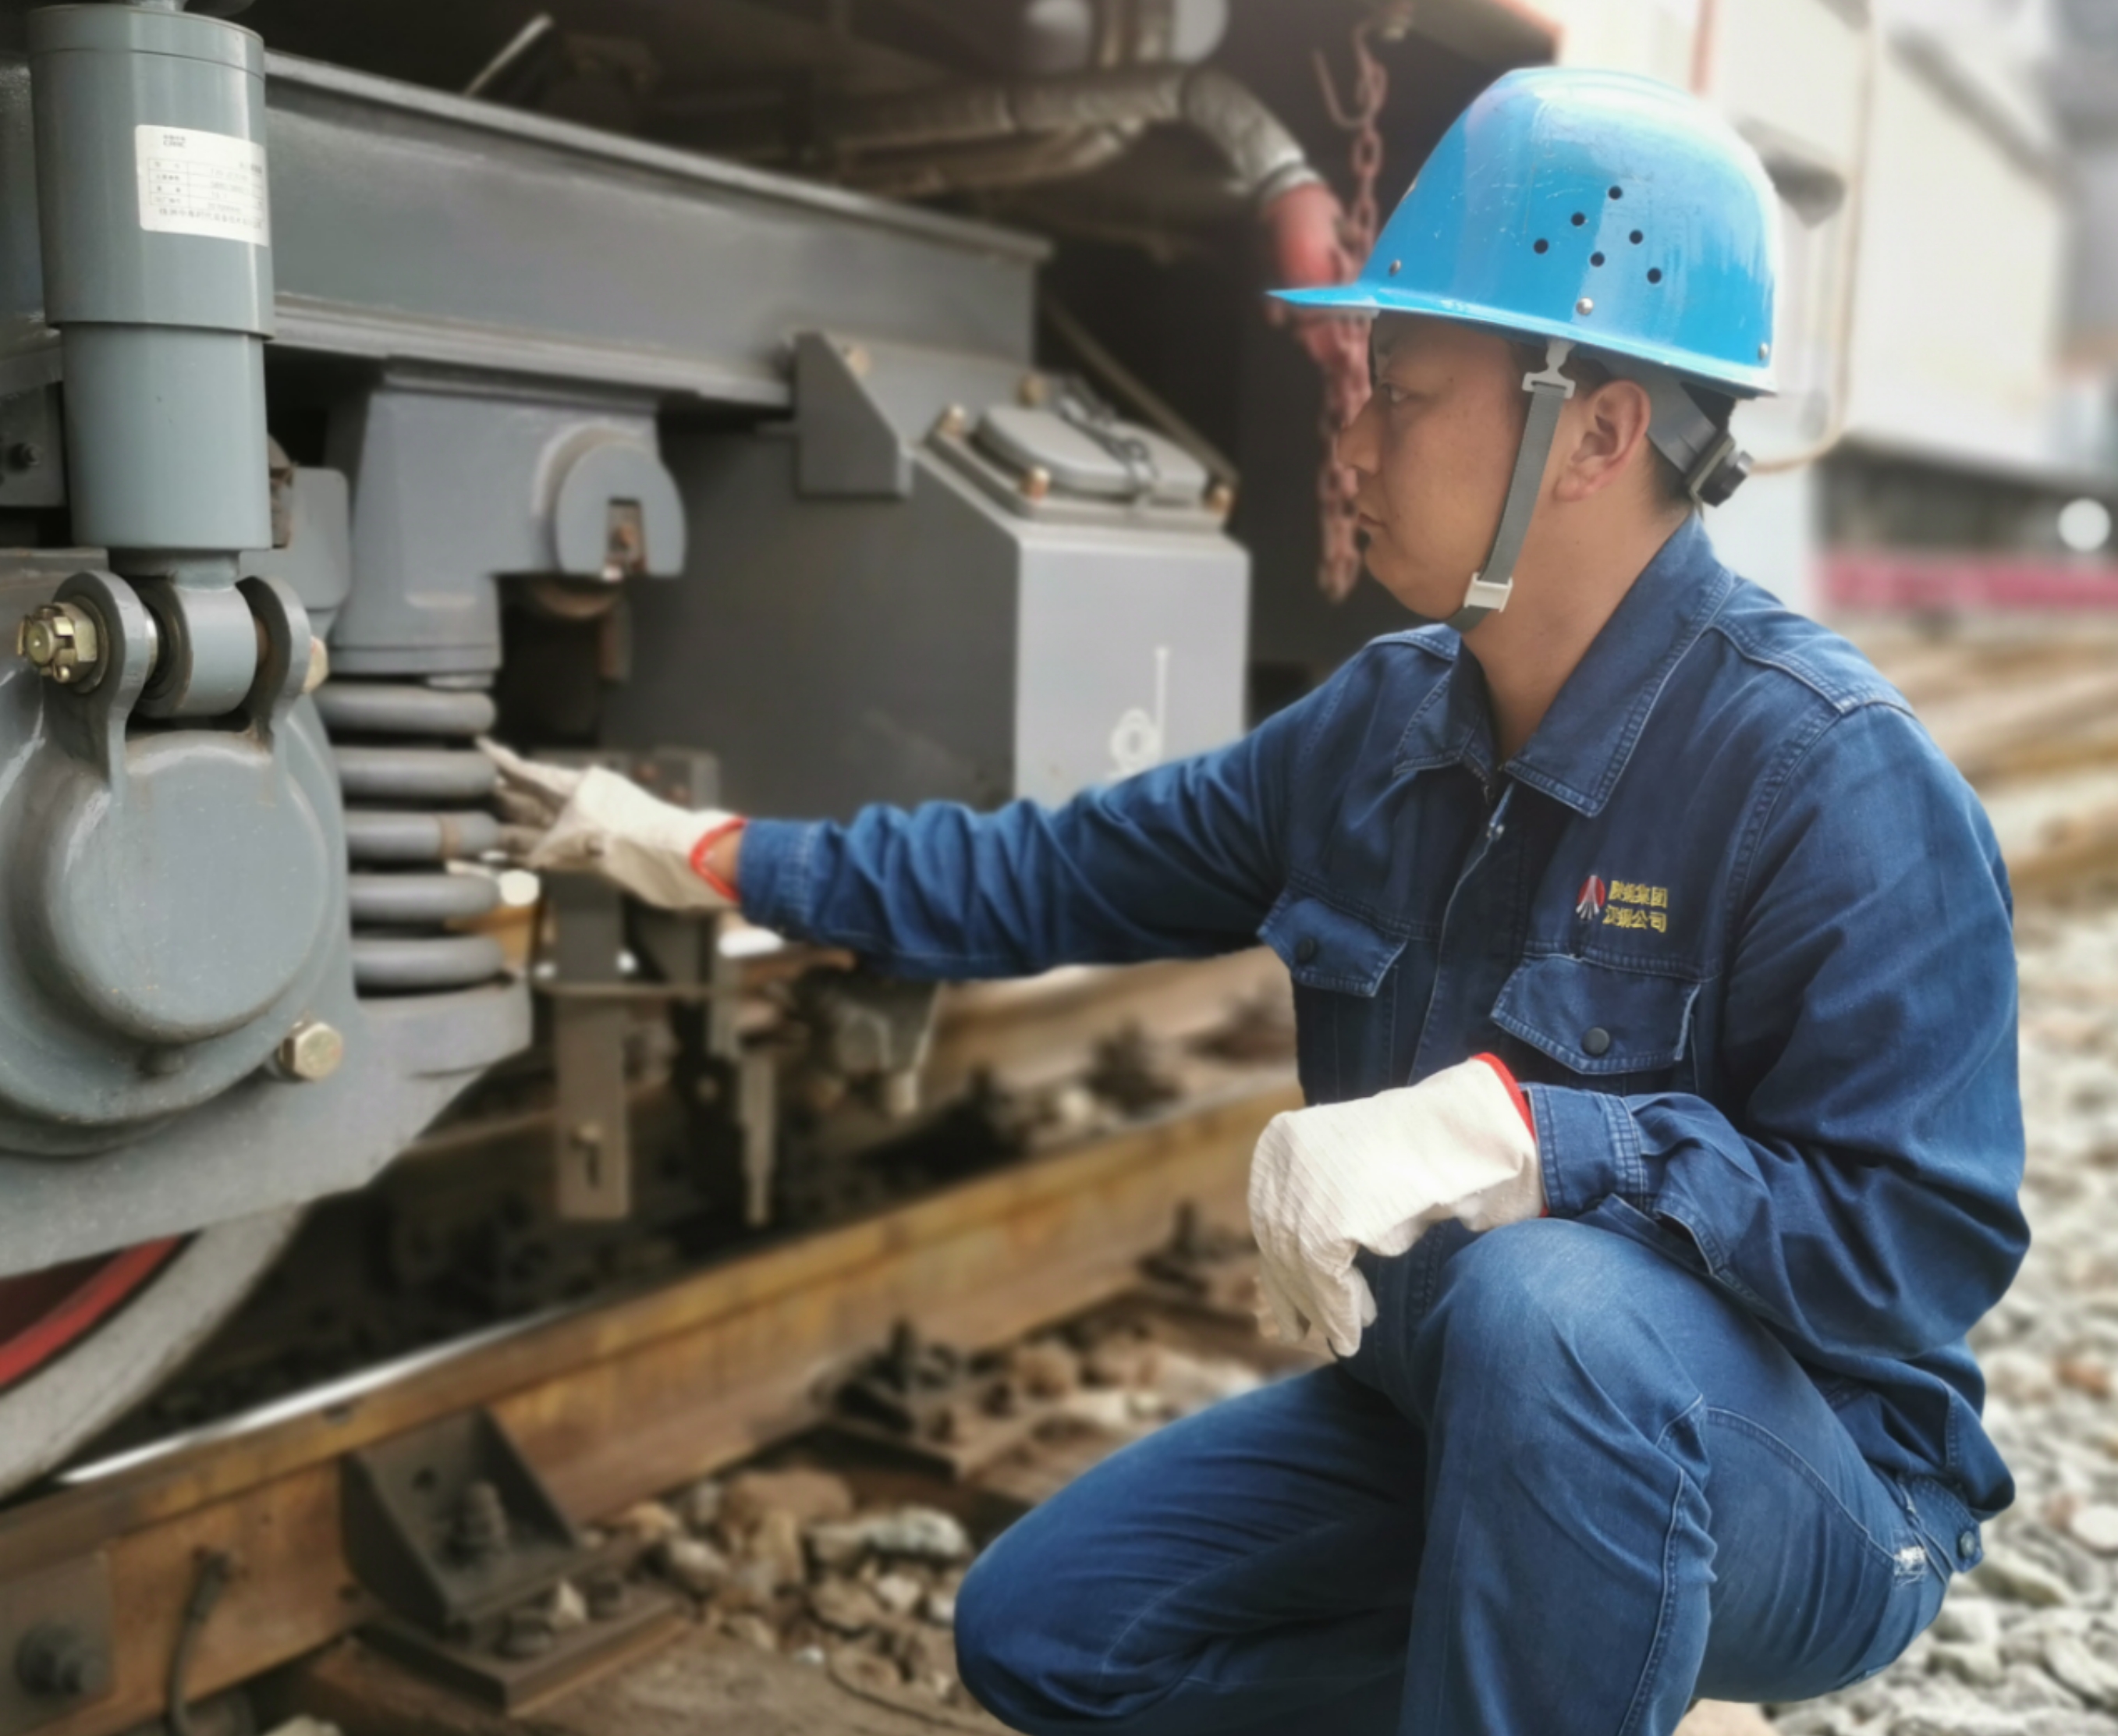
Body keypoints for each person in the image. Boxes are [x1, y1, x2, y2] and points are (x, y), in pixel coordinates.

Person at [487, 66, 2026, 1736]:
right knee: (1050, 1633)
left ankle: (1598, 1648)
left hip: (1814, 1490)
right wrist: (692, 850)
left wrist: (1533, 1140)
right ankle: (1572, 1657)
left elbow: (1918, 1244)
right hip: (1461, 1417)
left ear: (1589, 436)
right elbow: (1053, 869)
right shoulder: (1378, 727)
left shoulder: (1821, 774)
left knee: (1547, 1297)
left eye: (1406, 395)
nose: (1347, 445)